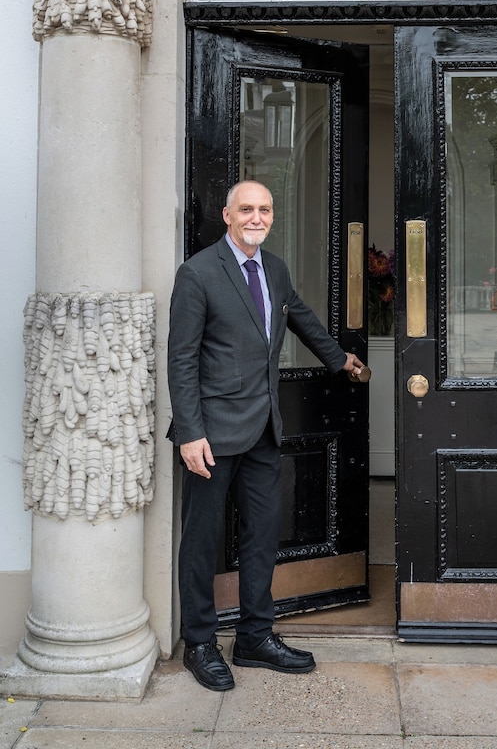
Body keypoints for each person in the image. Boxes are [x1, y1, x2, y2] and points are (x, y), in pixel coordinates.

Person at [167, 180, 365, 691]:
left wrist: (339, 358)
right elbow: (181, 360)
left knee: (262, 536)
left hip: (264, 428)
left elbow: (298, 315)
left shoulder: (274, 268)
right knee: (202, 541)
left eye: (265, 210)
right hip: (211, 434)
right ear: (227, 215)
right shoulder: (197, 273)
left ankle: (255, 637)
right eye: (247, 209)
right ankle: (200, 643)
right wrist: (190, 433)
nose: (257, 218)